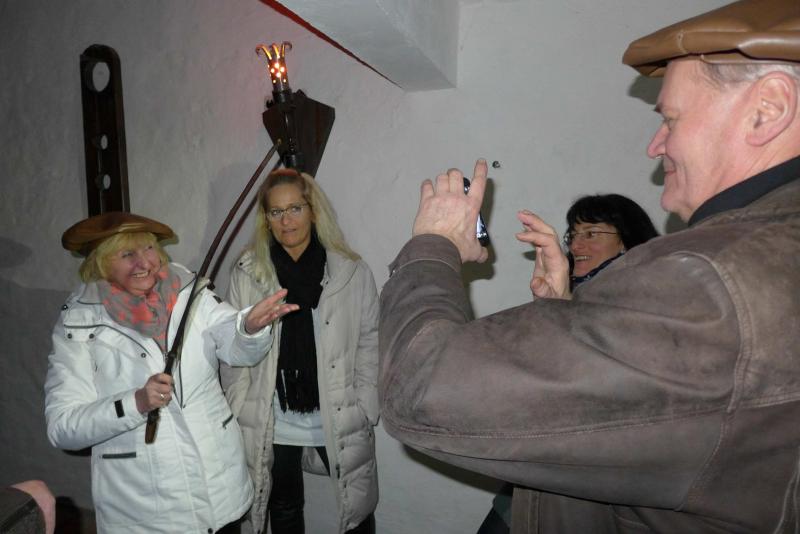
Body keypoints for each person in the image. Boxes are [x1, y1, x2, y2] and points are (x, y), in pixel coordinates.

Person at [378, 0, 800, 532]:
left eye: (670, 119)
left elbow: (421, 389)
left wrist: (433, 242)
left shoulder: (708, 282)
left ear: (768, 109)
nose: (655, 145)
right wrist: (562, 312)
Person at [44, 212, 298, 534]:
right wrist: (135, 403)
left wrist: (247, 328)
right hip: (147, 510)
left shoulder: (190, 293)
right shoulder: (79, 325)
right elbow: (62, 427)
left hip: (219, 489)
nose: (144, 263)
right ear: (101, 263)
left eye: (149, 248)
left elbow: (235, 346)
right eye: (127, 254)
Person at [478, 194, 659, 534]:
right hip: (549, 462)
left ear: (627, 240)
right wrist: (552, 308)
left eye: (591, 233)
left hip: (597, 473)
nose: (576, 244)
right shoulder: (575, 291)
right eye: (573, 235)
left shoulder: (644, 301)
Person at [221, 168, 379, 534]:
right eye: (276, 212)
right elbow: (230, 345)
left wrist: (365, 400)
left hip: (337, 410)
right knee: (283, 507)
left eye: (295, 208)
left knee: (358, 512)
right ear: (266, 219)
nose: (286, 220)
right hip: (271, 417)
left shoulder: (349, 272)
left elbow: (369, 338)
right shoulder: (248, 273)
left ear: (313, 210)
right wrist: (239, 404)